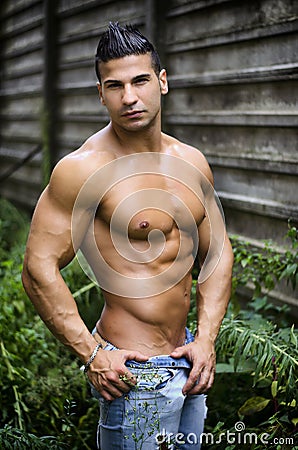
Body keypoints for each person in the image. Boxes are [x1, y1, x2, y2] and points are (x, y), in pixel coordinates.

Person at [22, 22, 234, 450]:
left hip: (188, 360)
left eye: (140, 81)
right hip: (134, 371)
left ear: (162, 81)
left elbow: (218, 253)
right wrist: (93, 354)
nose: (129, 97)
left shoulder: (192, 161)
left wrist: (207, 339)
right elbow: (37, 268)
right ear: (100, 93)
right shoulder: (81, 169)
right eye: (114, 86)